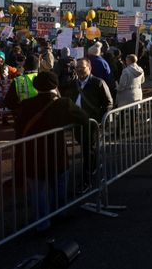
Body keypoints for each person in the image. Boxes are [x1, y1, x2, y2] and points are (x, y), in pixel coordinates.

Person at [14, 71, 95, 231]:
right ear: (55, 85)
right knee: (59, 184)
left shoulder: (26, 104)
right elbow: (84, 119)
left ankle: (42, 223)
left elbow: (18, 128)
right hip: (56, 153)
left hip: (33, 154)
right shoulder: (63, 103)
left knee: (38, 191)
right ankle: (60, 213)